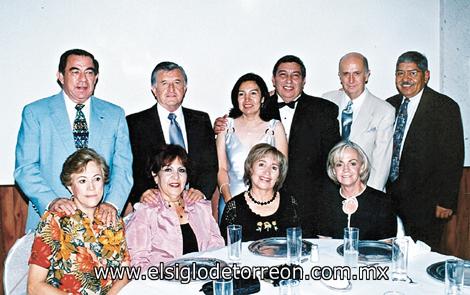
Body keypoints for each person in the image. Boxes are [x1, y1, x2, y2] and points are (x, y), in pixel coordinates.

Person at [215, 56, 340, 237]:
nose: (288, 80)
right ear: (273, 80)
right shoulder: (257, 108)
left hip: (305, 206)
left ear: (304, 81)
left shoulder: (324, 110)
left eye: (295, 75)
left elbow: (332, 162)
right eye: (282, 75)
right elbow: (222, 164)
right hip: (238, 199)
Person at [14, 49, 133, 232]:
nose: (83, 79)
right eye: (75, 71)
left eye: (89, 72)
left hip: (101, 225)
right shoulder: (36, 113)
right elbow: (25, 168)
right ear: (61, 76)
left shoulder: (114, 115)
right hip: (51, 225)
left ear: (96, 77)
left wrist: (112, 204)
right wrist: (52, 201)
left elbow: (123, 169)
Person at [386, 51, 464, 250]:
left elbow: (453, 157)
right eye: (400, 73)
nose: (405, 79)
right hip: (390, 200)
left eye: (412, 73)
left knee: (422, 258)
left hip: (427, 205)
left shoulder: (444, 108)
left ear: (426, 75)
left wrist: (446, 201)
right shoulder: (389, 105)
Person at [27, 148, 129, 295]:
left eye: (97, 179)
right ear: (70, 186)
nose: (91, 187)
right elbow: (34, 286)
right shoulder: (55, 220)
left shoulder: (113, 220)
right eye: (82, 180)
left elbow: (124, 275)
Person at [126, 61, 217, 209]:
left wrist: (201, 191)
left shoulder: (201, 120)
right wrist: (141, 192)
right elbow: (130, 166)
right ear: (154, 89)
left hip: (195, 203)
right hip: (154, 205)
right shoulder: (135, 123)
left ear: (185, 88)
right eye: (164, 83)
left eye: (177, 82)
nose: (171, 89)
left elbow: (210, 165)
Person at [125, 145, 224, 270]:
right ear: (155, 176)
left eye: (181, 170)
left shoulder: (199, 206)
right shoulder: (145, 212)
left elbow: (217, 248)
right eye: (168, 170)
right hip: (161, 284)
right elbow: (137, 263)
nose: (176, 176)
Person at [216, 73, 288, 220]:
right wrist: (230, 201)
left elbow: (281, 168)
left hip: (267, 204)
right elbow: (221, 168)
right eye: (242, 94)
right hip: (231, 200)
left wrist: (267, 201)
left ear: (262, 98)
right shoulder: (225, 126)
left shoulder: (275, 127)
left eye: (253, 93)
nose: (247, 99)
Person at [323, 52, 395, 191]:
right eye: (345, 74)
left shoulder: (384, 110)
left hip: (364, 189)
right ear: (339, 77)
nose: (351, 80)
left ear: (367, 75)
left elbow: (381, 164)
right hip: (329, 190)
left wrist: (369, 198)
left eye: (356, 73)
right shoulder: (326, 100)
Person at [316, 141, 395, 240]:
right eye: (339, 164)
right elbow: (325, 246)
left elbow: (386, 247)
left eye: (352, 163)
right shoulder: (326, 201)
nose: (346, 169)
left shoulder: (383, 202)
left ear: (361, 167)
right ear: (333, 171)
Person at [220, 143, 299, 242]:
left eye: (274, 167)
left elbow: (297, 244)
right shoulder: (234, 207)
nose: (267, 172)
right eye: (261, 164)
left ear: (278, 176)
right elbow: (227, 249)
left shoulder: (289, 203)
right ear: (250, 168)